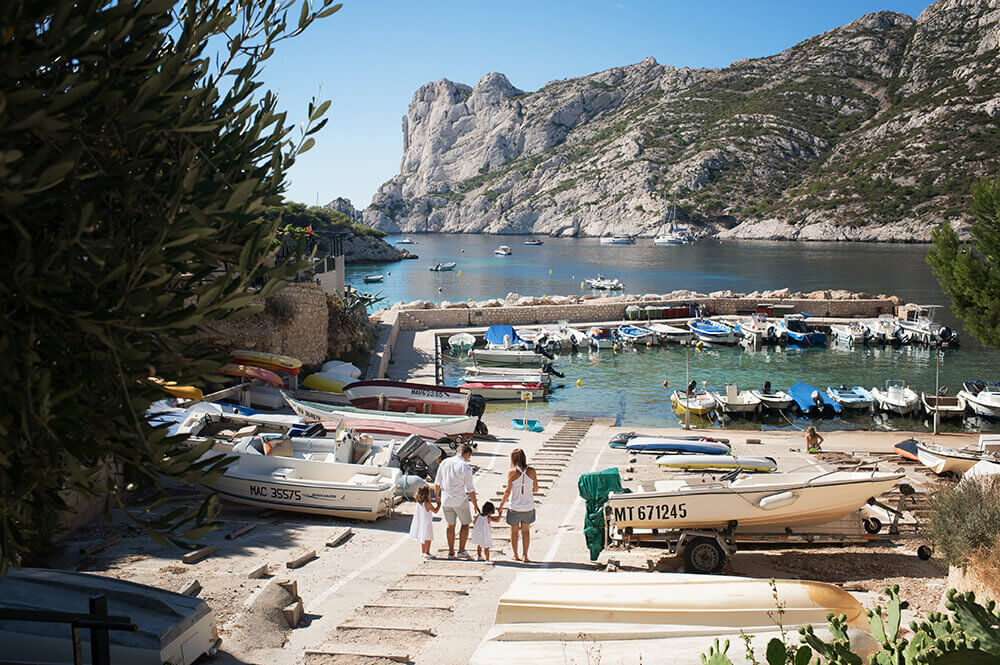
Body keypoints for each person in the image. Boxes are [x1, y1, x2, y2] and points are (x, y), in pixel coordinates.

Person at [434, 444, 478, 559]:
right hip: (459, 499)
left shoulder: (444, 462)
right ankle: (462, 550)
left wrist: (437, 498)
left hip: (445, 499)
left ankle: (451, 552)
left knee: (450, 525)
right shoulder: (466, 467)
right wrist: (475, 504)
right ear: (467, 454)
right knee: (465, 523)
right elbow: (470, 489)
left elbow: (437, 482)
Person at [498, 448, 538, 562]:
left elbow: (507, 491)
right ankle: (525, 555)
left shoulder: (512, 472)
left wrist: (501, 505)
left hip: (515, 506)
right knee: (526, 531)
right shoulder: (532, 471)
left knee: (514, 531)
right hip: (528, 506)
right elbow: (535, 489)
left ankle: (515, 555)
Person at [408, 484, 439, 559]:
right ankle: (427, 552)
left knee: (422, 536)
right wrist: (439, 504)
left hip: (421, 522)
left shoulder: (419, 503)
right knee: (428, 537)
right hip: (427, 523)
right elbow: (435, 511)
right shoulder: (427, 503)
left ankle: (423, 551)